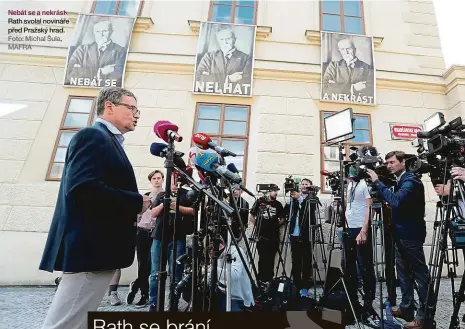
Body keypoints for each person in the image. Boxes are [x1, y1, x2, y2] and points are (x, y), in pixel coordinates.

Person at [39, 87, 151, 329]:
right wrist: (136, 201)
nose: (136, 114)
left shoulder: (107, 140)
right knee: (65, 323)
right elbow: (82, 188)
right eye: (131, 108)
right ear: (109, 106)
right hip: (89, 251)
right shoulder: (92, 135)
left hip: (96, 250)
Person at [367, 151, 430, 329]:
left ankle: (425, 316)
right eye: (387, 163)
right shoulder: (400, 181)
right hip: (399, 234)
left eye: (392, 162)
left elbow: (396, 202)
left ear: (403, 162)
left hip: (411, 235)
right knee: (403, 274)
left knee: (420, 276)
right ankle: (406, 307)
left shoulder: (411, 180)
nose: (389, 165)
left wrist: (377, 182)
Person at [148, 173, 196, 312]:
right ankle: (154, 304)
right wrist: (164, 203)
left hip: (178, 237)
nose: (174, 184)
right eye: (172, 181)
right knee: (155, 273)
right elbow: (153, 213)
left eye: (176, 181)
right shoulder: (162, 195)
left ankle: (173, 303)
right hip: (159, 237)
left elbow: (194, 211)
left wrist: (178, 208)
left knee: (176, 273)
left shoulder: (186, 195)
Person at [126, 170, 165, 308]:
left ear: (162, 179)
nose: (156, 180)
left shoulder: (165, 196)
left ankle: (136, 284)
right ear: (150, 180)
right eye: (154, 178)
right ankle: (144, 295)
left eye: (159, 178)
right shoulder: (144, 196)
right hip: (142, 232)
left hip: (156, 233)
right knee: (143, 265)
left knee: (152, 266)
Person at [343, 168, 376, 315]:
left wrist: (364, 230)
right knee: (349, 266)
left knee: (365, 266)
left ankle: (368, 302)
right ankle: (353, 301)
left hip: (360, 228)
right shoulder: (350, 184)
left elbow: (370, 208)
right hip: (348, 228)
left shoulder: (364, 184)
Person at [65, 20, 128, 87]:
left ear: (111, 32)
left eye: (104, 31)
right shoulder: (82, 49)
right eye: (98, 32)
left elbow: (118, 76)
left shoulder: (120, 51)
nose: (101, 34)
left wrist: (83, 70)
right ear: (94, 33)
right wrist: (101, 72)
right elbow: (70, 72)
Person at [194, 26, 252, 95]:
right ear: (218, 41)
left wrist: (212, 76)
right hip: (211, 98)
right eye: (221, 39)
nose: (225, 42)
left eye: (228, 39)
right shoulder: (209, 57)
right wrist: (228, 79)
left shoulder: (245, 58)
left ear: (234, 39)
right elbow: (199, 77)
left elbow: (247, 80)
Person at [249, 184, 285, 283]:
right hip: (261, 235)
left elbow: (283, 218)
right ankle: (260, 281)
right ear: (269, 191)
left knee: (271, 260)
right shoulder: (260, 201)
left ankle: (269, 281)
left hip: (273, 237)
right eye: (274, 190)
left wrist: (275, 224)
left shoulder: (278, 204)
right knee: (262, 259)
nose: (276, 193)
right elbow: (251, 215)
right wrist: (258, 225)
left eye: (277, 191)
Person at [322, 38, 374, 104]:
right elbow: (325, 88)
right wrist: (352, 88)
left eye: (349, 49)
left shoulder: (367, 68)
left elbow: (370, 91)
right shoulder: (333, 66)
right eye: (342, 49)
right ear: (339, 51)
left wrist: (337, 86)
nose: (346, 52)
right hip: (336, 105)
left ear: (355, 49)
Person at [286, 178, 316, 290]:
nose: (303, 186)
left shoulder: (312, 197)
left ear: (310, 187)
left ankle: (305, 287)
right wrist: (292, 200)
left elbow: (309, 210)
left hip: (306, 234)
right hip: (294, 233)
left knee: (306, 261)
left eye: (306, 184)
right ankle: (296, 285)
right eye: (302, 184)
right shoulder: (294, 198)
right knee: (296, 261)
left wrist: (300, 199)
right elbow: (288, 212)